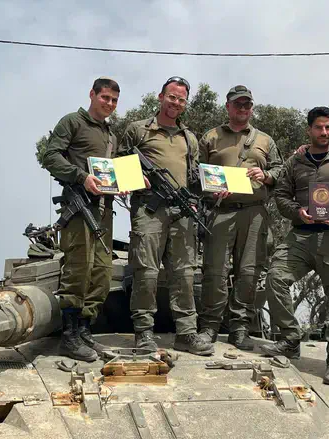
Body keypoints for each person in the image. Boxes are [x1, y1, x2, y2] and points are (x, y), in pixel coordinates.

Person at [260, 106, 329, 385]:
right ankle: (291, 340)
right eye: (319, 127)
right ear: (310, 129)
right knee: (276, 277)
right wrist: (297, 212)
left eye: (328, 127)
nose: (324, 132)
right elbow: (281, 196)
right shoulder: (295, 163)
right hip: (301, 235)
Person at [118, 76, 214, 356]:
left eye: (181, 99)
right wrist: (139, 179)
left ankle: (186, 333)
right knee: (146, 271)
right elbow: (119, 164)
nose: (176, 103)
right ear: (161, 97)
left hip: (182, 212)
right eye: (172, 97)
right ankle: (144, 333)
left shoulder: (189, 137)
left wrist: (209, 193)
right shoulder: (138, 130)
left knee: (184, 273)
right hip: (150, 209)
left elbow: (194, 176)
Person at [38, 77, 121, 362]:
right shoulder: (73, 122)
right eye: (105, 97)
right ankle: (70, 336)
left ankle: (85, 331)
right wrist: (81, 177)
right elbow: (50, 156)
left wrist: (120, 183)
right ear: (92, 95)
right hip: (78, 206)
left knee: (101, 272)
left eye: (114, 100)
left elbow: (112, 171)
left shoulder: (112, 136)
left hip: (103, 209)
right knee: (78, 268)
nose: (109, 104)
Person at [196, 85, 283, 351]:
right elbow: (195, 173)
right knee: (215, 270)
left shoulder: (265, 140)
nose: (243, 109)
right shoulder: (210, 137)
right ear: (228, 107)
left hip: (254, 212)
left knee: (248, 271)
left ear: (251, 108)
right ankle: (209, 326)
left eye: (247, 105)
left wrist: (266, 176)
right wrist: (209, 186)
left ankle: (240, 327)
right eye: (238, 104)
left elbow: (280, 169)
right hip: (220, 210)